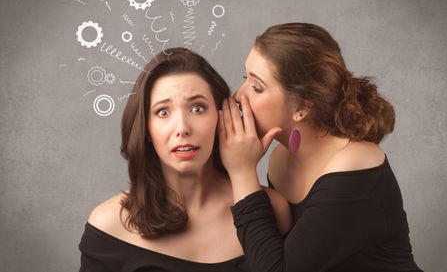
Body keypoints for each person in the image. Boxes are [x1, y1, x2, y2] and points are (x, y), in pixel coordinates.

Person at [218, 23, 423, 272]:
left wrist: (242, 173)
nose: (239, 95)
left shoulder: (354, 166)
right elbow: (272, 249)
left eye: (257, 87)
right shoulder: (280, 158)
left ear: (302, 108)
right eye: (245, 79)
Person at [78, 47, 291, 272]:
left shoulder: (274, 209)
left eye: (197, 108)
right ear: (146, 129)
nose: (182, 128)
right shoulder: (109, 224)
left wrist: (243, 172)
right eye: (163, 112)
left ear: (223, 118)